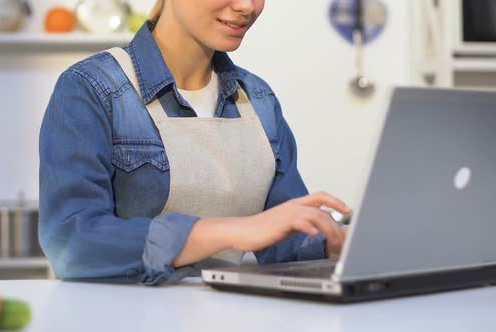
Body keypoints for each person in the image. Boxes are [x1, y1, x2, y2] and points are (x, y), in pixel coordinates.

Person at [39, 0, 350, 285]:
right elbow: (70, 244)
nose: (247, 6)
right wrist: (231, 231)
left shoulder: (258, 99)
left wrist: (335, 242)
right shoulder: (92, 89)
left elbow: (283, 242)